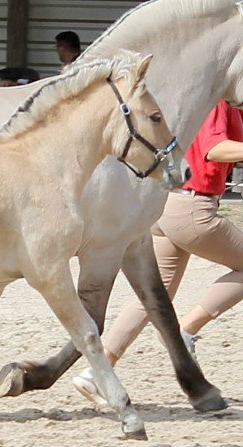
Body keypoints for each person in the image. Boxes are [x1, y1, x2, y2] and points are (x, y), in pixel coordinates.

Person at [72, 100, 243, 405]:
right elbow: (214, 148)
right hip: (194, 209)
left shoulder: (219, 100)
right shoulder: (217, 103)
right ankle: (187, 331)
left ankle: (96, 372)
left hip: (169, 204)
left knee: (153, 297)